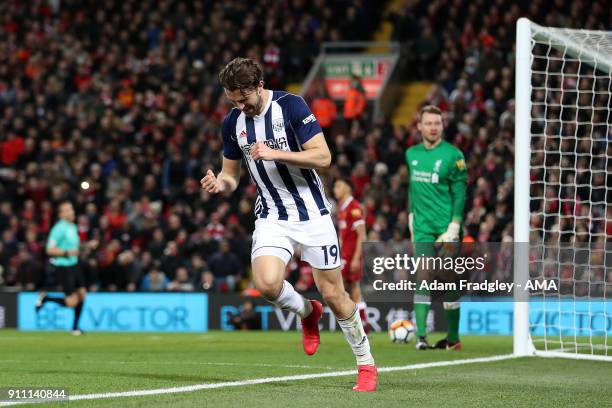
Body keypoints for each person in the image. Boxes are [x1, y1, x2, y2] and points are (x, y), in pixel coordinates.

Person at [201, 58, 377, 392]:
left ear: (259, 85)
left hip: (313, 213)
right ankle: (307, 311)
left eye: (244, 98)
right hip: (271, 214)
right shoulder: (232, 123)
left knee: (335, 295)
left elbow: (323, 158)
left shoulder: (291, 106)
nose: (240, 106)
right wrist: (219, 184)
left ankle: (366, 364)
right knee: (267, 284)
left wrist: (276, 153)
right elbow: (231, 175)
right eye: (233, 100)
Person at [406, 105, 467, 350]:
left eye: (437, 123)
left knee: (447, 281)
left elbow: (460, 193)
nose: (433, 127)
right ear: (419, 126)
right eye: (428, 123)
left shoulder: (454, 155)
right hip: (422, 228)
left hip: (447, 229)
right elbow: (412, 189)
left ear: (442, 126)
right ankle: (421, 336)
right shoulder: (411, 154)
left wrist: (455, 224)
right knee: (423, 276)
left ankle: (453, 337)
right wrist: (411, 216)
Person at [36, 201, 89, 335]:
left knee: (82, 295)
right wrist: (66, 253)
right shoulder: (58, 229)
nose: (71, 212)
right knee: (71, 302)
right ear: (61, 214)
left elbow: (74, 249)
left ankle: (75, 328)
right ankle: (46, 298)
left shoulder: (72, 226)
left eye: (71, 209)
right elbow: (50, 249)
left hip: (75, 264)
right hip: (64, 267)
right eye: (66, 210)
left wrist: (86, 247)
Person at [333, 177, 370, 333]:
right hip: (344, 255)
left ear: (348, 188)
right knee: (349, 287)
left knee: (345, 287)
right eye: (335, 186)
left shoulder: (354, 207)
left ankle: (359, 322)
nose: (336, 189)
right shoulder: (342, 208)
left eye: (339, 185)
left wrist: (356, 258)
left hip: (351, 255)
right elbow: (342, 236)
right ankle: (361, 322)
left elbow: (362, 236)